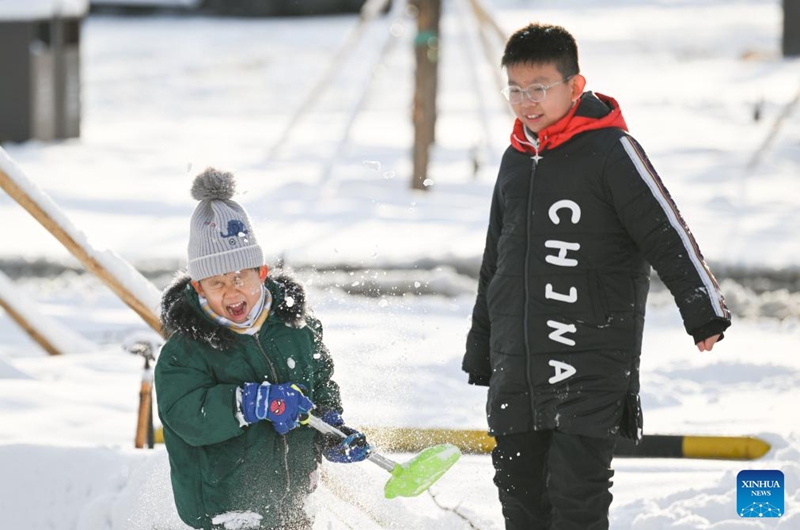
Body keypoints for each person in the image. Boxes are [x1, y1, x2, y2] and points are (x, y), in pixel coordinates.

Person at [462, 23, 731, 530]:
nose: (526, 102)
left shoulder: (612, 150)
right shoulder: (515, 160)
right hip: (517, 366)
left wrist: (703, 309)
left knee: (575, 499)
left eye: (539, 88)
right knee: (520, 501)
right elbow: (495, 261)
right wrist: (482, 346)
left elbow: (667, 232)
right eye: (515, 90)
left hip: (589, 359)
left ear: (575, 86)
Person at [155, 168, 371, 530]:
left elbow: (320, 379)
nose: (232, 291)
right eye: (217, 283)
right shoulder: (187, 349)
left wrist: (329, 429)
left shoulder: (297, 329)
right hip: (225, 509)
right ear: (198, 286)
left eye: (241, 277)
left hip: (293, 501)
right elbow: (184, 415)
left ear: (262, 272)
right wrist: (247, 403)